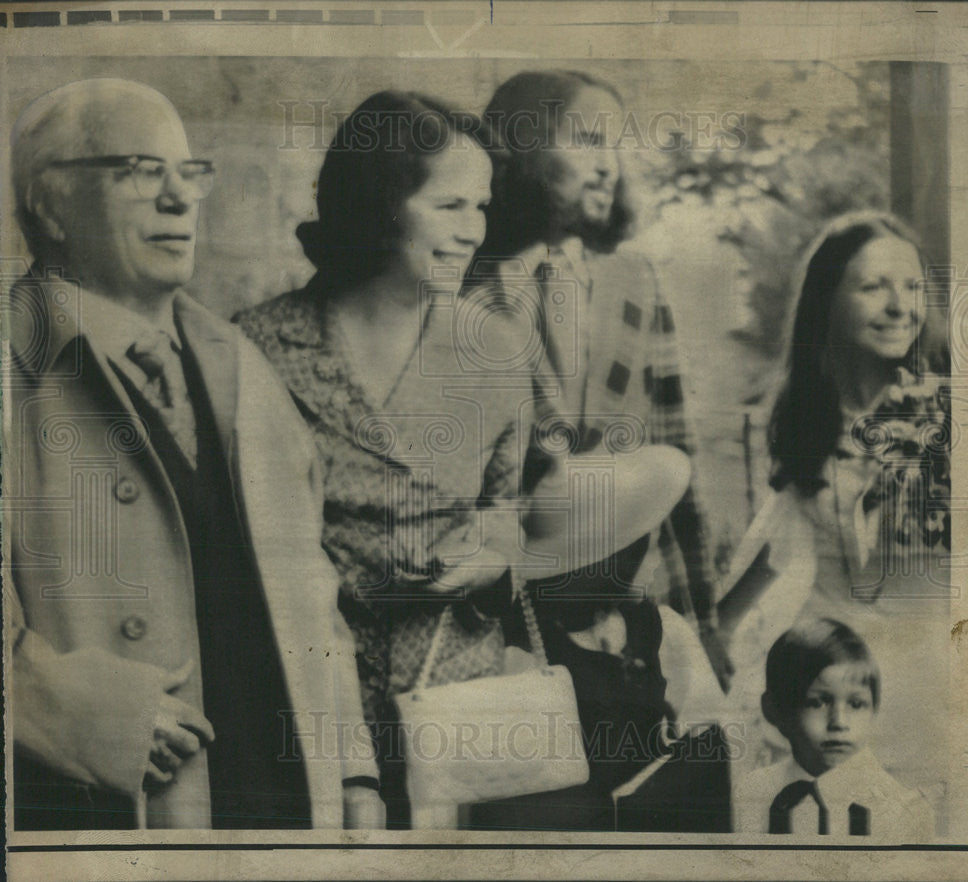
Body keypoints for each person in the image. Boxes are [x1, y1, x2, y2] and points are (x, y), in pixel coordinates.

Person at [4, 78, 380, 830]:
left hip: (283, 807)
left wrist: (353, 773)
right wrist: (74, 712)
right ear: (49, 205)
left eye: (190, 172)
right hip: (110, 818)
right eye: (141, 171)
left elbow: (315, 598)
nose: (180, 199)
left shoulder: (242, 367)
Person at [234, 91, 541, 828]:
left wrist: (494, 559)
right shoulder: (256, 349)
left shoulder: (495, 353)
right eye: (449, 207)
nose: (473, 233)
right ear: (378, 205)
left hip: (455, 700)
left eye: (482, 208)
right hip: (306, 698)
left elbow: (505, 510)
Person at [461, 70, 731, 831]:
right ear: (513, 151)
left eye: (614, 143)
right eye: (584, 140)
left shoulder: (633, 279)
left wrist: (701, 618)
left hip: (616, 617)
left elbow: (675, 454)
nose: (608, 162)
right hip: (503, 626)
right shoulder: (461, 281)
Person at [719, 210, 951, 825]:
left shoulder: (954, 418)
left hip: (933, 681)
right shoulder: (811, 423)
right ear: (829, 303)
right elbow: (766, 551)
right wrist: (713, 634)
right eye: (874, 286)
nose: (901, 306)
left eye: (912, 287)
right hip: (839, 695)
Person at [733, 618, 935, 840]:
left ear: (873, 709)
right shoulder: (751, 792)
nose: (839, 722)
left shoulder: (902, 810)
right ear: (775, 710)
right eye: (818, 703)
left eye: (856, 704)